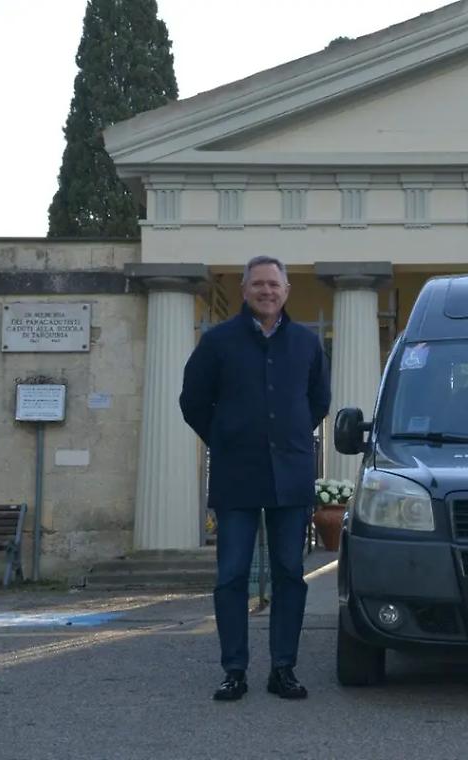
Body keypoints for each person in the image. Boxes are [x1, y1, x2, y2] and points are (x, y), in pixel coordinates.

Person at [180, 255, 331, 702]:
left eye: (275, 285)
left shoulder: (306, 343)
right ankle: (234, 670)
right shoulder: (218, 342)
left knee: (289, 574)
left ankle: (283, 668)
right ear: (245, 290)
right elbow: (193, 401)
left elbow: (318, 401)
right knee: (231, 576)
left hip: (290, 476)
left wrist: (288, 436)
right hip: (237, 476)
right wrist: (225, 438)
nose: (267, 291)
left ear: (286, 291)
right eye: (259, 284)